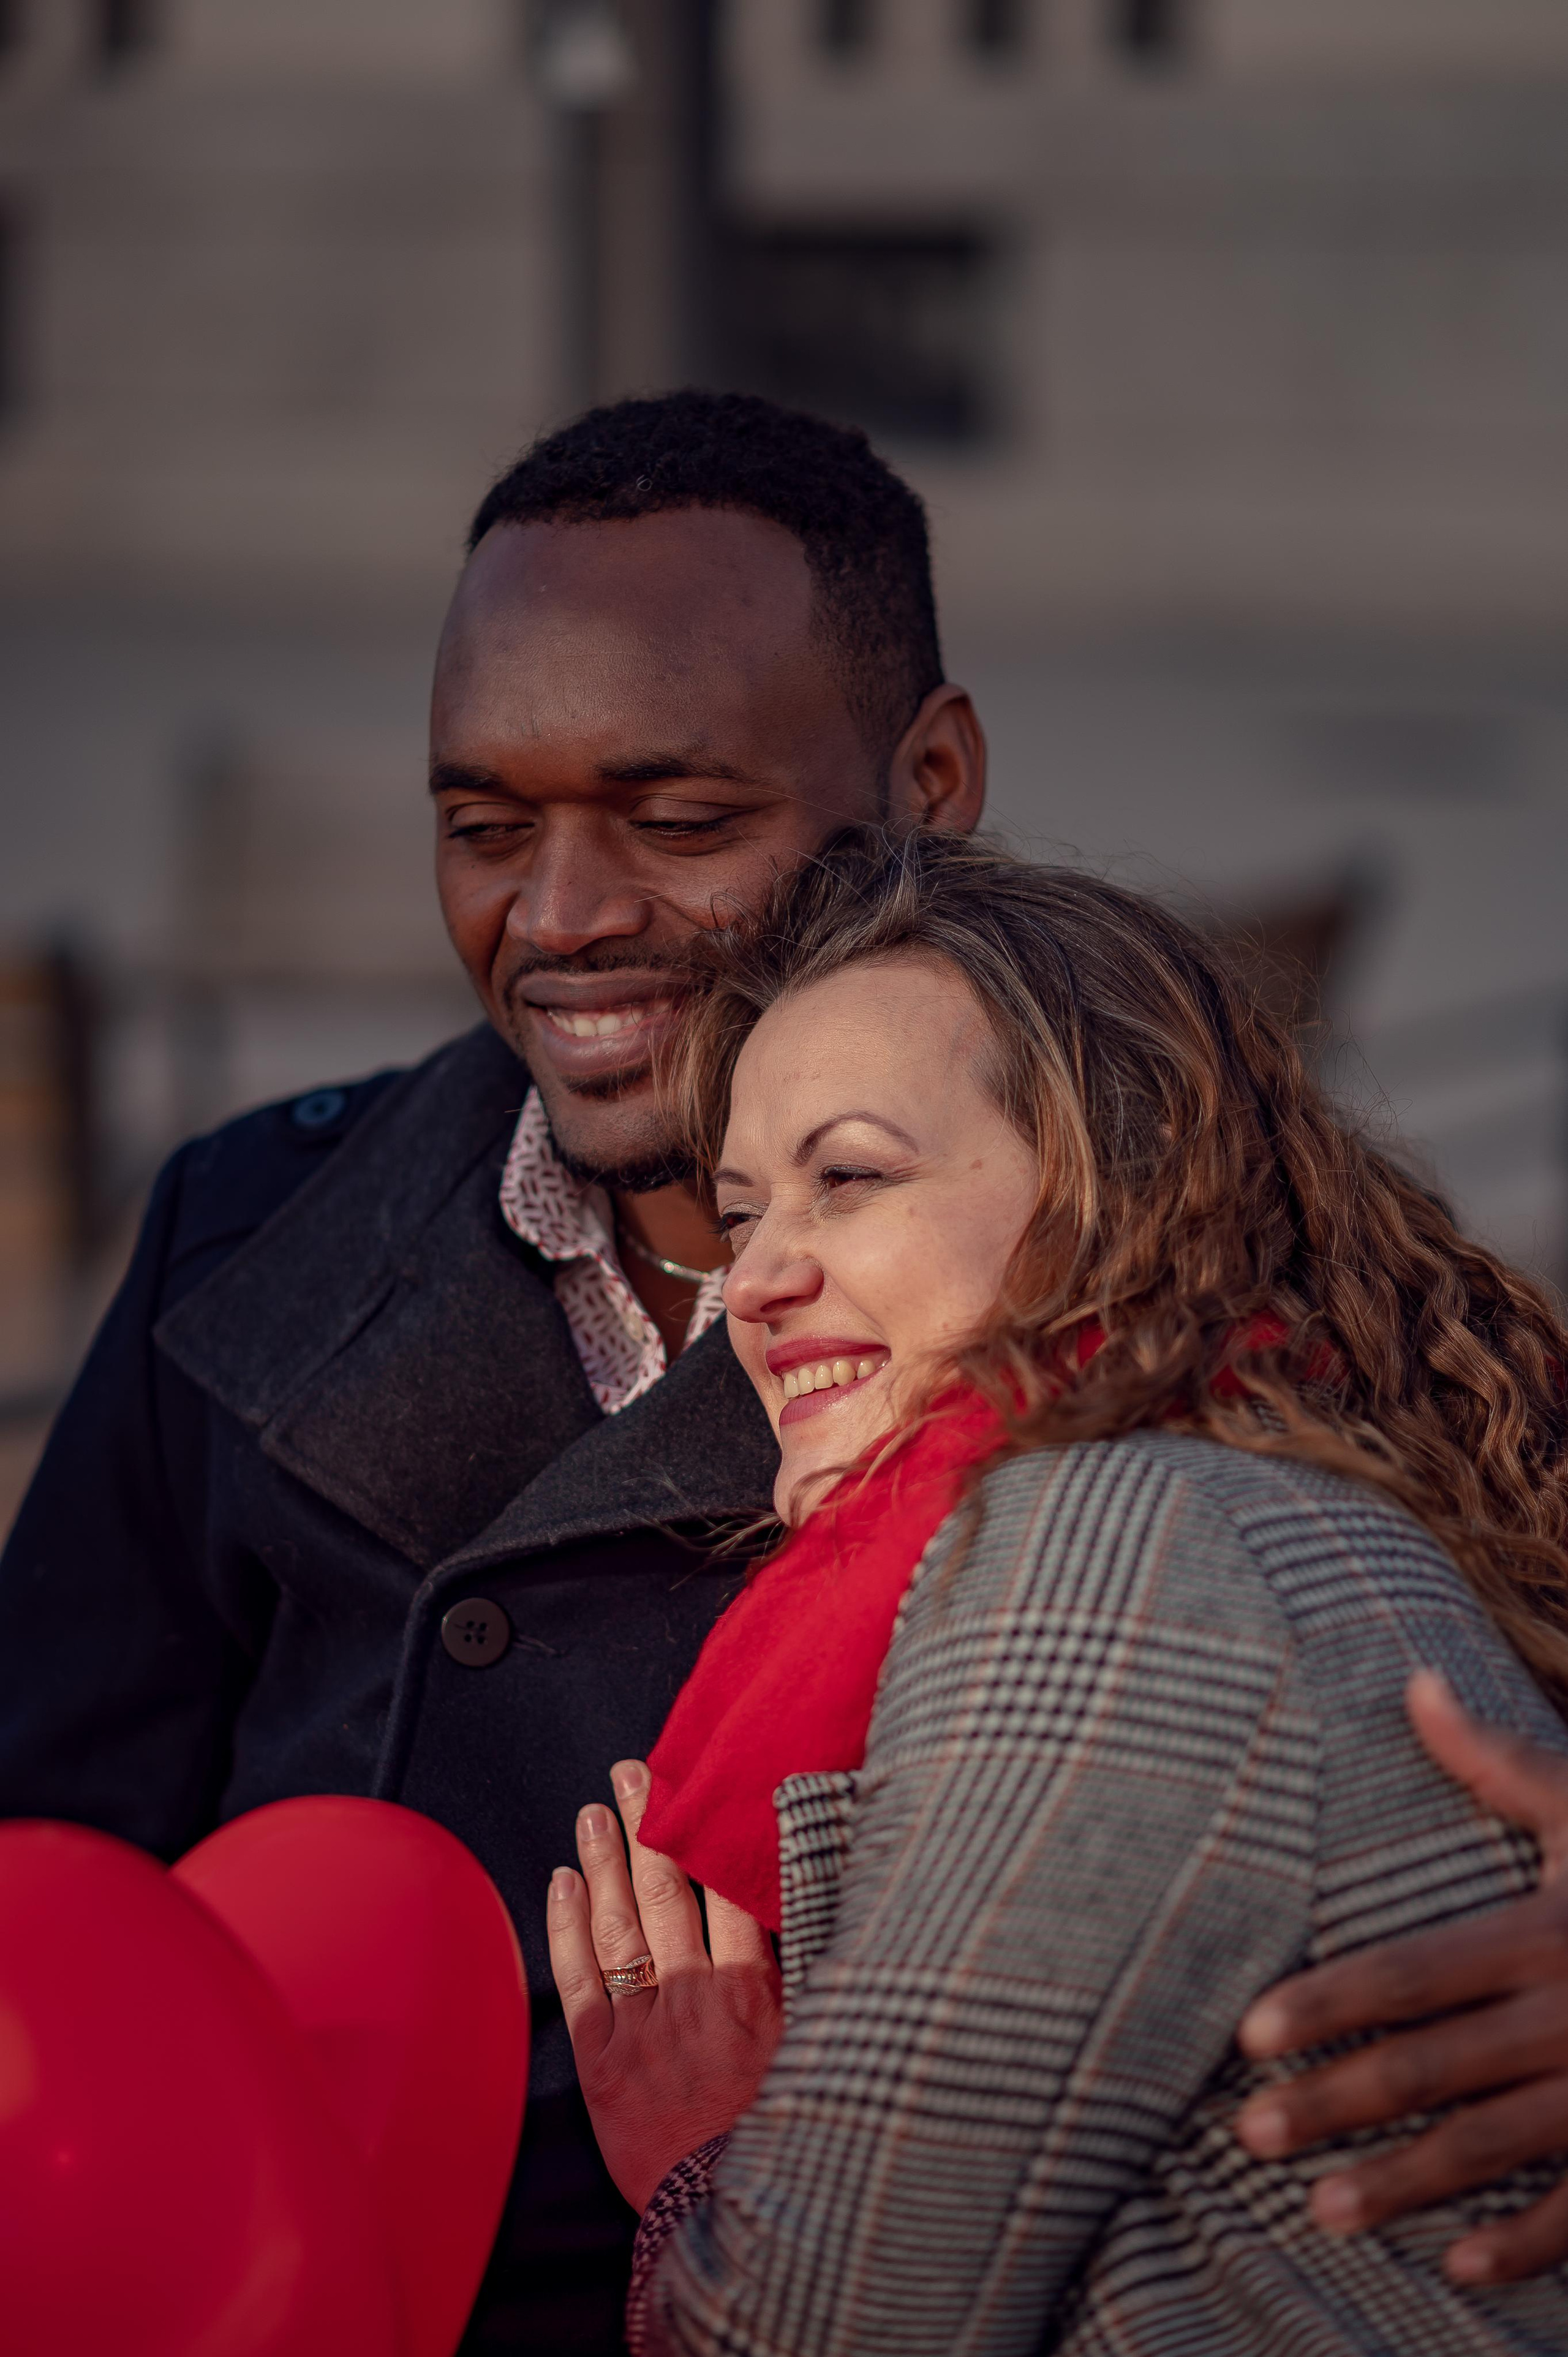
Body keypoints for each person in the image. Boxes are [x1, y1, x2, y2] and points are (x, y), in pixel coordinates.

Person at [0, 390, 1566, 2347]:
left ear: (928, 778)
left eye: (678, 820)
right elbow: (42, 1865)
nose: (559, 918)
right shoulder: (246, 1243)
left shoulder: (1196, 1341)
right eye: (484, 828)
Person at [546, 830, 1568, 2353]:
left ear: (1116, 1197)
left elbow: (822, 2330)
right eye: (744, 1211)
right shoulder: (1265, 1478)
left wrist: (710, 2159)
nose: (753, 1283)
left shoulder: (1111, 1547)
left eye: (849, 1177)